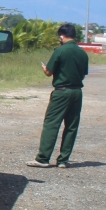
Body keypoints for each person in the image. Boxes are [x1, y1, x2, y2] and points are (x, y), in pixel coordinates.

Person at [27, 23, 90, 169]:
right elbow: (83, 74)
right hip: (77, 92)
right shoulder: (82, 53)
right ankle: (63, 160)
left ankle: (43, 158)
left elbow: (49, 72)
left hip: (61, 91)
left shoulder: (60, 51)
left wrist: (44, 68)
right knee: (71, 126)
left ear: (61, 36)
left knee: (52, 123)